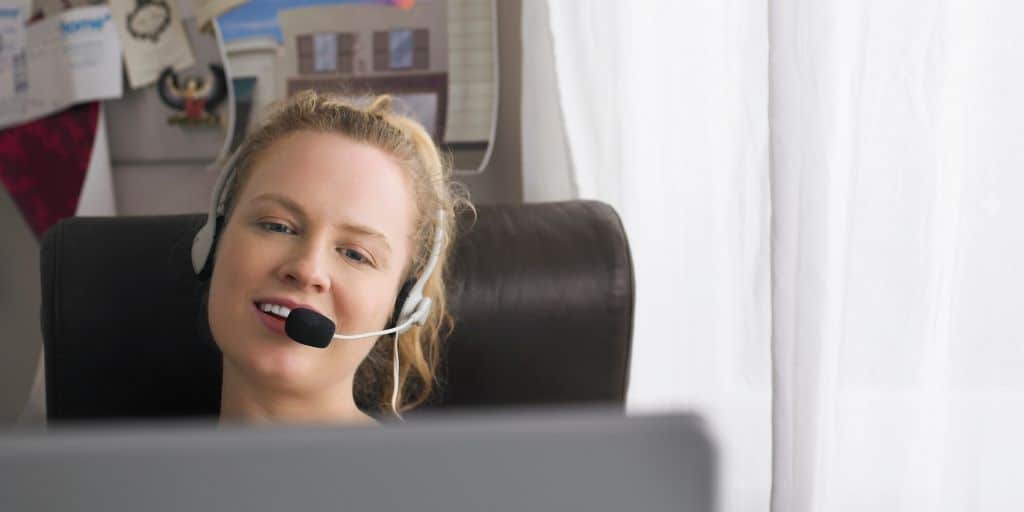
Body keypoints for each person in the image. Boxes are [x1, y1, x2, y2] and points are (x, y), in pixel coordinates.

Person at [199, 90, 472, 425]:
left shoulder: (434, 478)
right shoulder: (137, 475)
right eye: (278, 227)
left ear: (402, 305)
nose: (307, 269)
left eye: (355, 255)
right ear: (213, 242)